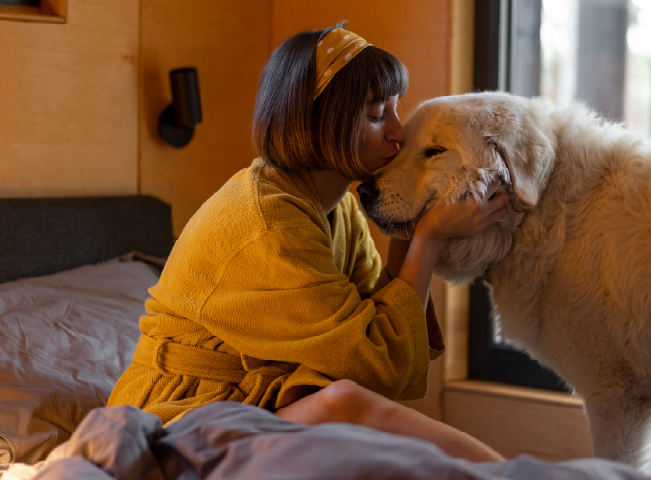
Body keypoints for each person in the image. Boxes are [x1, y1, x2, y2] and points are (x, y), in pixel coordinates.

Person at [108, 25, 507, 463]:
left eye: (395, 111)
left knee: (350, 405)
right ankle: (515, 476)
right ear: (320, 122)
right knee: (345, 403)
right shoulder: (270, 224)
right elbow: (378, 362)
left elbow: (383, 320)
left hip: (247, 403)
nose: (398, 133)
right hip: (176, 417)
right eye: (377, 116)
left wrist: (411, 219)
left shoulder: (335, 208)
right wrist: (430, 237)